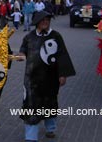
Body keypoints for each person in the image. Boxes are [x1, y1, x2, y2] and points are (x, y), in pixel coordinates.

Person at [17, 10, 76, 142]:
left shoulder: (56, 36)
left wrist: (63, 74)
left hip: (51, 78)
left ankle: (51, 128)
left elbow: (62, 56)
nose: (45, 22)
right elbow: (23, 50)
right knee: (31, 105)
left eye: (47, 20)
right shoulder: (29, 37)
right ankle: (31, 137)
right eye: (43, 20)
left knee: (50, 103)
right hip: (31, 79)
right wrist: (21, 55)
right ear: (37, 22)